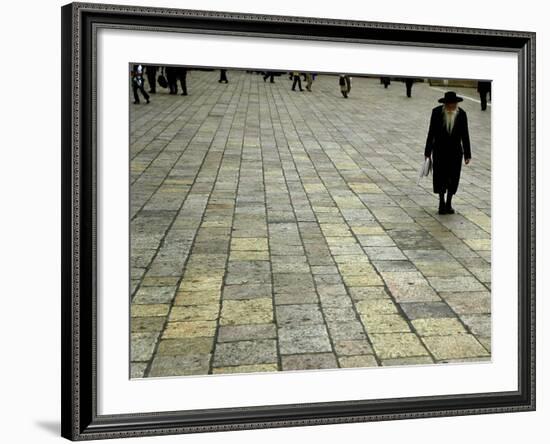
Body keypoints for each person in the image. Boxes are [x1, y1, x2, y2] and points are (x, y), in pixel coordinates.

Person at [424, 91, 471, 214]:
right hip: (439, 150)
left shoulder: (462, 114)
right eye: (449, 105)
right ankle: (441, 202)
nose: (451, 107)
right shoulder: (436, 112)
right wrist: (427, 151)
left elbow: (465, 135)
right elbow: (431, 132)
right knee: (440, 177)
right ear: (445, 104)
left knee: (453, 177)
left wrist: (467, 154)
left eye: (453, 105)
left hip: (455, 152)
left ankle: (449, 202)